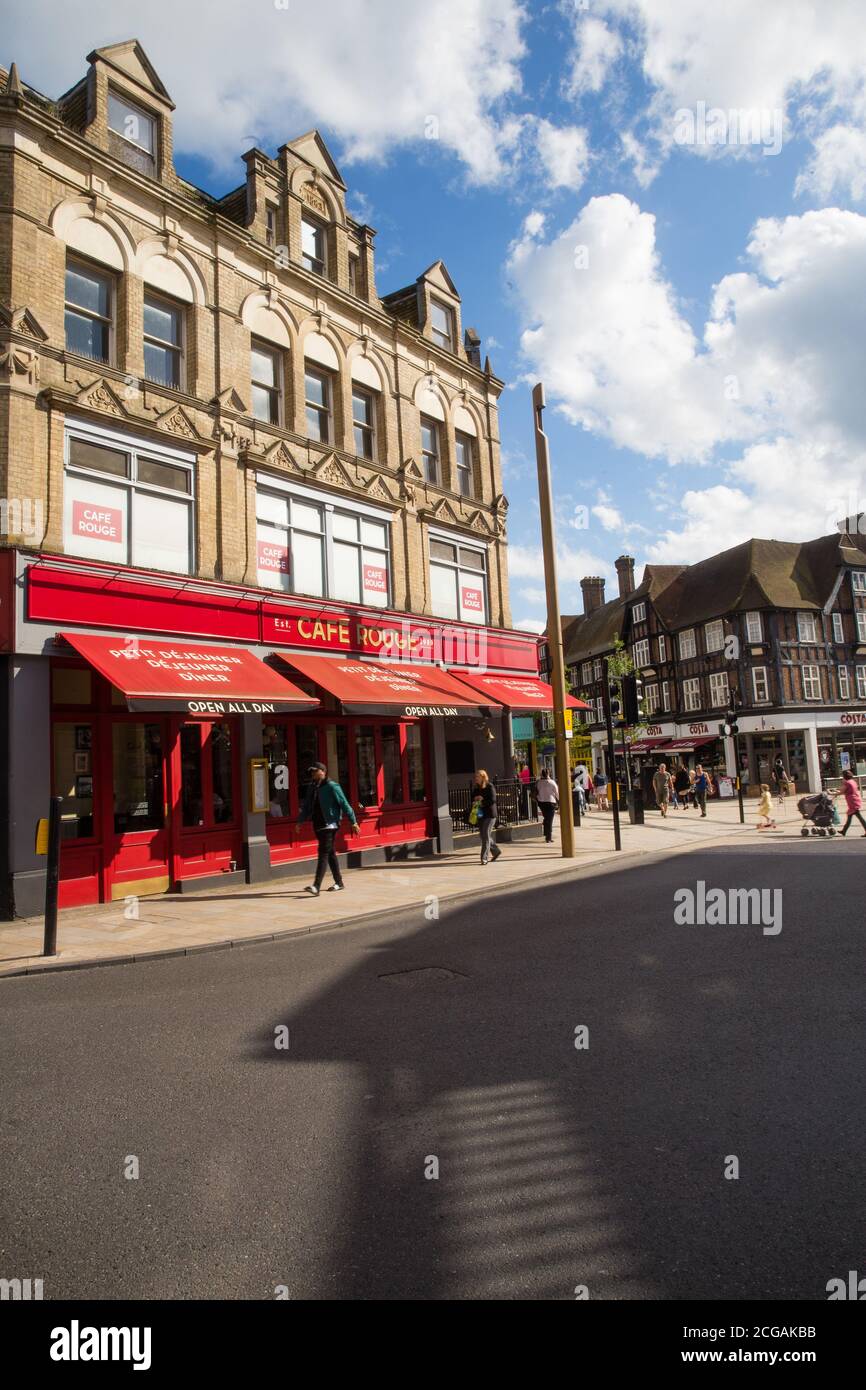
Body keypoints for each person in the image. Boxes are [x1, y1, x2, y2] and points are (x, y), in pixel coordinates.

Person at [297, 761, 359, 895]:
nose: (313, 774)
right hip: (318, 824)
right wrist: (300, 822)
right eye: (311, 772)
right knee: (330, 853)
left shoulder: (332, 786)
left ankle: (316, 886)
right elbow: (307, 806)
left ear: (323, 772)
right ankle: (339, 882)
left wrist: (353, 822)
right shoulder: (312, 787)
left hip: (330, 824)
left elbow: (344, 804)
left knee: (323, 853)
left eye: (315, 771)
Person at [470, 768, 501, 864]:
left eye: (477, 776)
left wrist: (482, 800)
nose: (476, 778)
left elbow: (493, 800)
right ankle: (496, 851)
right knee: (482, 835)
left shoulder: (489, 786)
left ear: (483, 777)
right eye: (475, 776)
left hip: (490, 815)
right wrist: (475, 799)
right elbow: (472, 798)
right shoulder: (476, 788)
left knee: (486, 835)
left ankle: (484, 858)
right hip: (480, 814)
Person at [835, 769, 866, 837]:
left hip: (852, 802)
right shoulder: (852, 781)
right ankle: (844, 831)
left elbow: (842, 791)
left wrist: (834, 793)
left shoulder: (847, 783)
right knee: (849, 816)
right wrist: (838, 789)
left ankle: (844, 831)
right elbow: (845, 789)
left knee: (859, 817)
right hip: (855, 800)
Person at [536, 768, 559, 842]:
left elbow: (537, 792)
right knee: (549, 820)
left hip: (541, 803)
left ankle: (546, 833)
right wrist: (559, 801)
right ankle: (548, 837)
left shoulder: (539, 782)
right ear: (549, 774)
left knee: (547, 818)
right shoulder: (552, 782)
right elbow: (557, 793)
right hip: (550, 803)